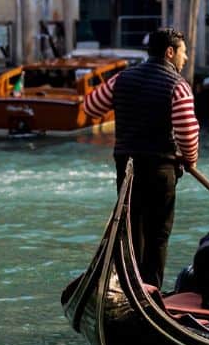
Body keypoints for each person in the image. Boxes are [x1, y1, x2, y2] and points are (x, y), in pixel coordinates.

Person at [83, 27, 199, 288]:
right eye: (184, 52)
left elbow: (91, 106)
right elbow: (188, 131)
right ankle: (151, 290)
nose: (186, 58)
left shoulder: (122, 79)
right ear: (170, 52)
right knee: (158, 234)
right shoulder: (178, 86)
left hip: (127, 167)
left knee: (132, 231)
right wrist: (190, 159)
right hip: (161, 168)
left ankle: (130, 286)